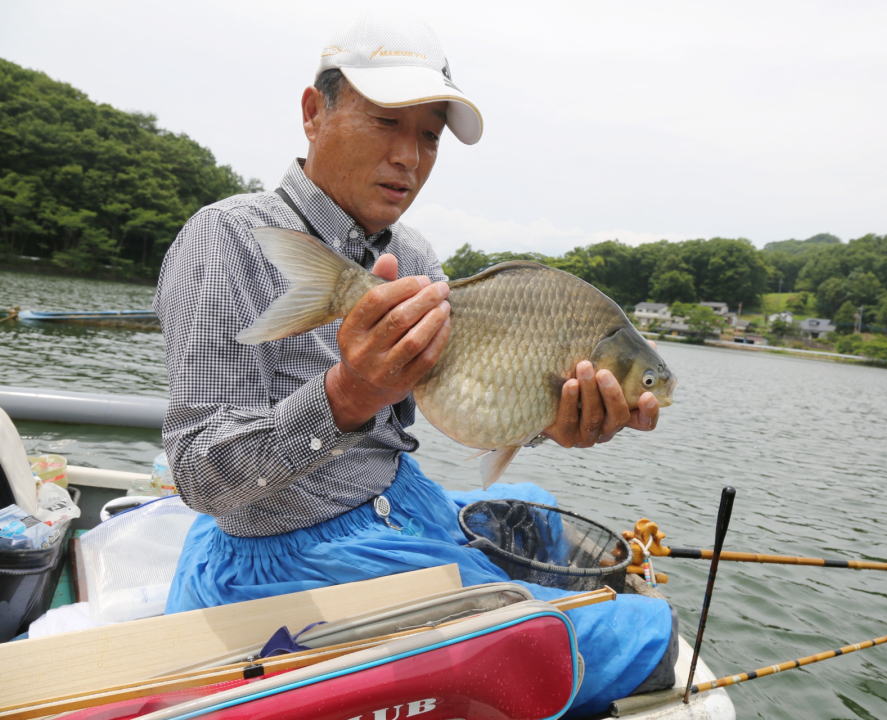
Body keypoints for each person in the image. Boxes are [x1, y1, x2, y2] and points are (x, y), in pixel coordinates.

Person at [154, 11, 673, 716]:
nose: (410, 157)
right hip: (281, 547)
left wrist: (557, 420)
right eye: (386, 123)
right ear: (314, 113)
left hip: (396, 500)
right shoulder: (226, 238)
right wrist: (344, 397)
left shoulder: (416, 258)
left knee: (536, 505)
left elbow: (468, 397)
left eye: (428, 136)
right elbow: (197, 475)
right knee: (649, 633)